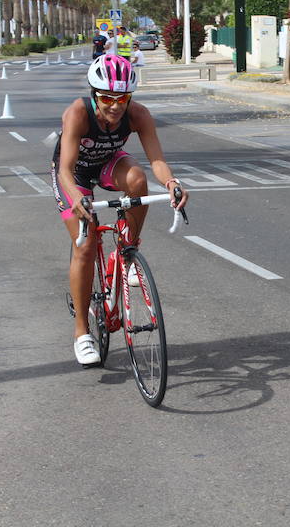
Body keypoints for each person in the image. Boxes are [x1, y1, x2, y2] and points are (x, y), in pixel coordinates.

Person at [51, 54, 189, 366]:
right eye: (107, 98)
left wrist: (171, 183)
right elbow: (65, 170)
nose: (115, 106)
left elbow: (156, 160)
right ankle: (82, 333)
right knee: (84, 246)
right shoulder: (77, 112)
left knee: (137, 179)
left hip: (106, 165)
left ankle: (126, 251)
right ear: (94, 94)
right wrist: (76, 198)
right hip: (73, 176)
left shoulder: (138, 114)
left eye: (122, 98)